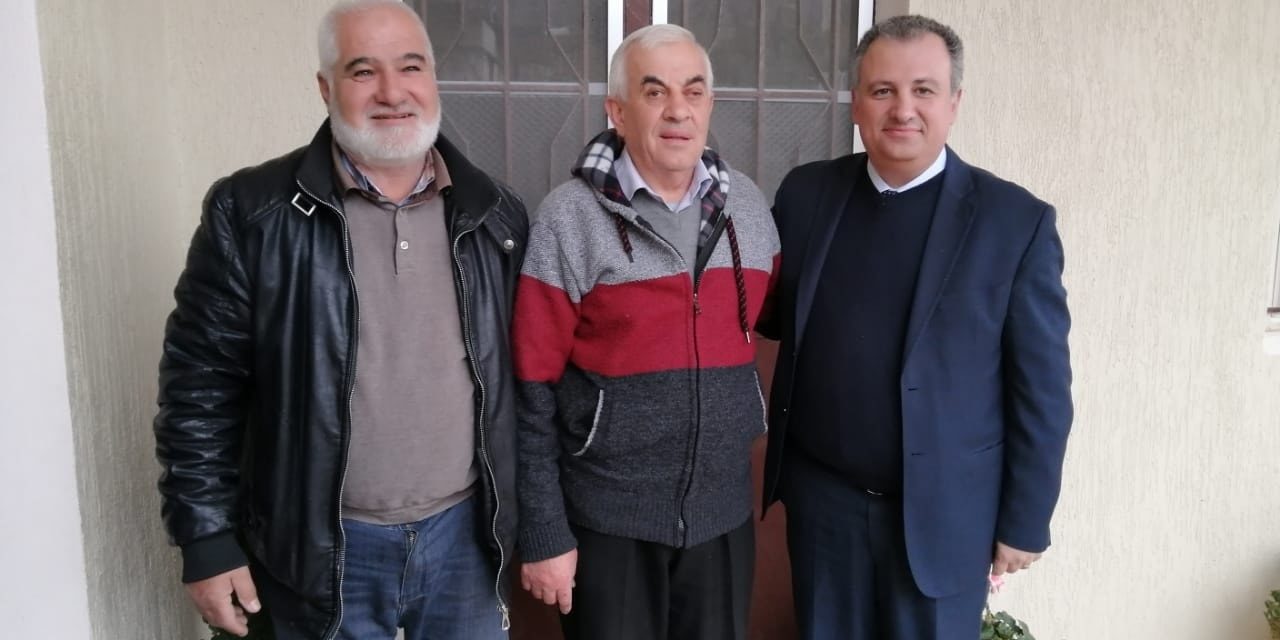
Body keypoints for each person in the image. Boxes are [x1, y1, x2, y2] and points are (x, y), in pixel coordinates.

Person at [153, 1, 527, 638]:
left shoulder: (495, 215)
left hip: (466, 542)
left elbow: (527, 390)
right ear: (326, 88)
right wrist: (206, 538)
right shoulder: (252, 214)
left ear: (433, 78)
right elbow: (199, 387)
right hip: (320, 550)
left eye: (410, 67)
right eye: (363, 71)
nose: (392, 92)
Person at [759, 14, 1073, 640]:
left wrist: (1025, 519)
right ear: (857, 102)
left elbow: (1042, 389)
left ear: (954, 102)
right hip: (825, 509)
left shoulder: (1015, 222)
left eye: (923, 90)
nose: (903, 109)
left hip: (947, 518)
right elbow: (762, 313)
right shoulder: (806, 196)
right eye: (883, 90)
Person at [511, 24, 780, 640]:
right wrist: (545, 531)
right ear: (618, 111)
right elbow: (530, 388)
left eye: (694, 91)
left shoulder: (749, 210)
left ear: (710, 104)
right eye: (655, 92)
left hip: (721, 515)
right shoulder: (568, 219)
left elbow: (772, 319)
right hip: (608, 522)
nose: (678, 110)